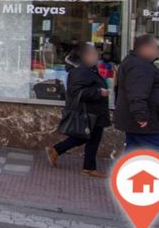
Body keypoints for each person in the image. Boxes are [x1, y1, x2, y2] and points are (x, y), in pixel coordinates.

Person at [45, 42, 111, 177]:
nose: (96, 56)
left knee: (86, 138)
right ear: (84, 56)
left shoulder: (89, 69)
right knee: (88, 138)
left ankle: (57, 151)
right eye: (93, 54)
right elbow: (77, 92)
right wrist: (99, 92)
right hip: (88, 112)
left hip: (94, 111)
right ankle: (88, 167)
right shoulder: (81, 71)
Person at [114, 34, 159, 154]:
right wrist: (141, 115)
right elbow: (137, 93)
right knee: (158, 154)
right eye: (156, 47)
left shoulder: (136, 63)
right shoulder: (140, 66)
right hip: (146, 123)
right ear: (146, 48)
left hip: (138, 121)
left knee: (134, 154)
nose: (158, 51)